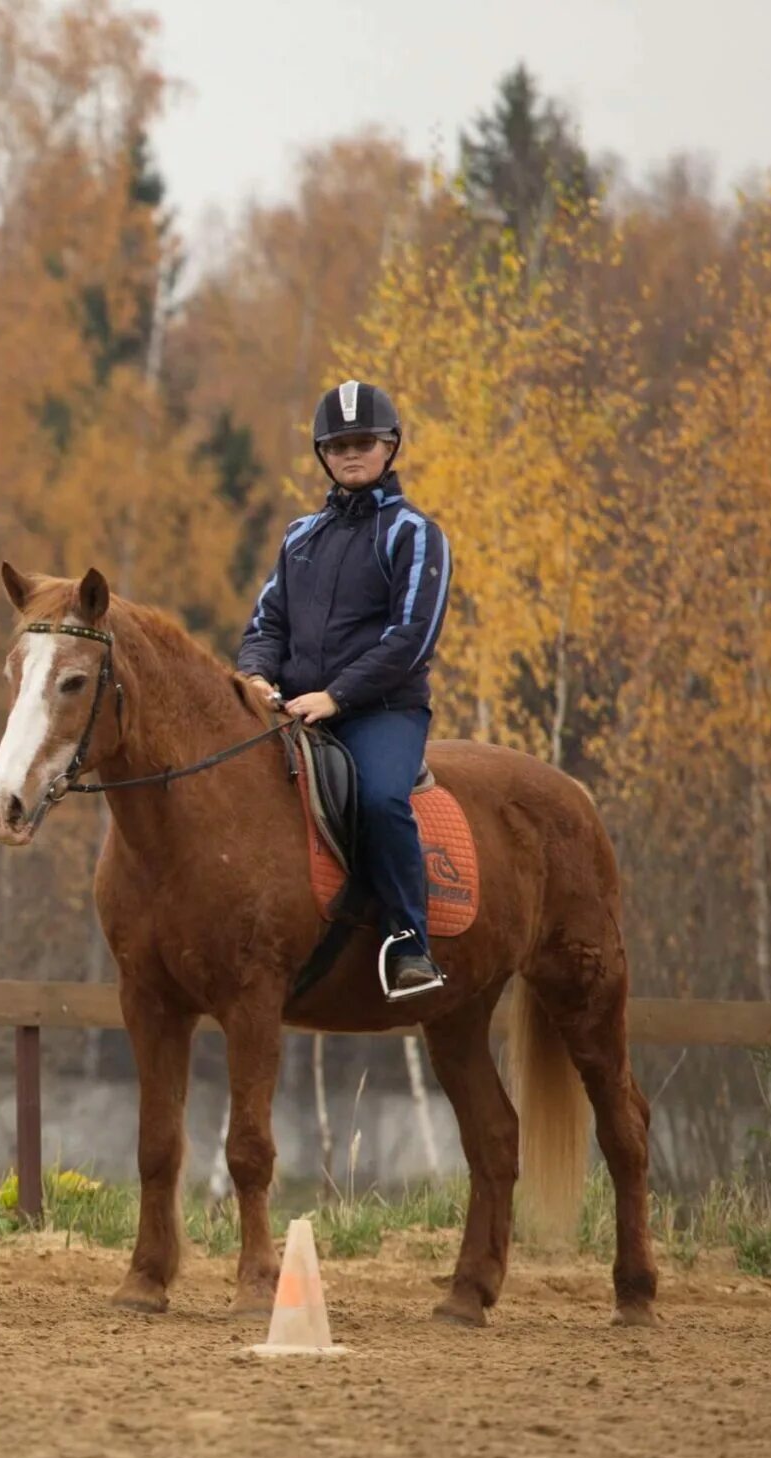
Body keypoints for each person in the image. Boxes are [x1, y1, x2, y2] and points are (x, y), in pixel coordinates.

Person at [236, 379, 454, 1001]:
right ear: (322, 454)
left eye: (364, 442)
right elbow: (266, 623)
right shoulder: (300, 536)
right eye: (337, 445)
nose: (351, 455)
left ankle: (410, 943)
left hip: (381, 712)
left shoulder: (415, 534)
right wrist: (254, 675)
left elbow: (412, 636)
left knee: (383, 799)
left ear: (390, 447)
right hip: (293, 708)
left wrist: (336, 697)